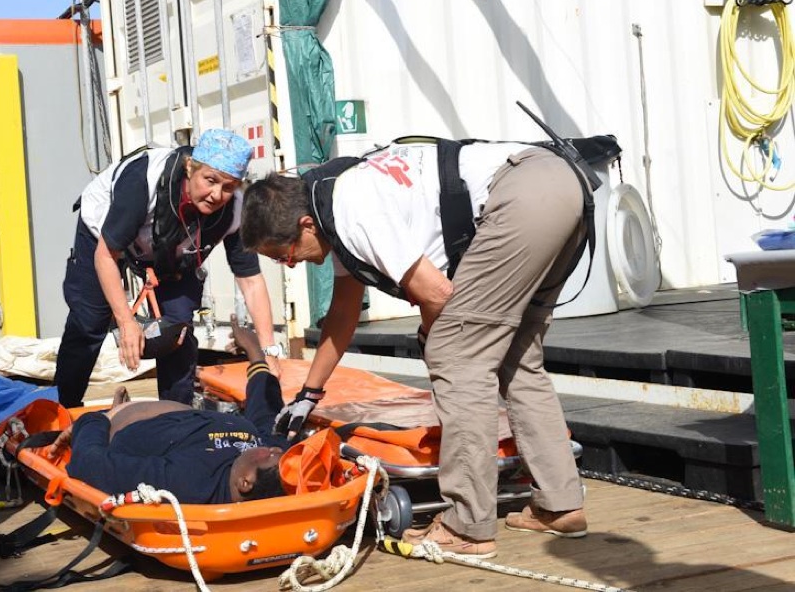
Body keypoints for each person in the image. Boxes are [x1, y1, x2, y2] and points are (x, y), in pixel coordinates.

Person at [240, 137, 591, 558]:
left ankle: (467, 527)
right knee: (517, 358)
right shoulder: (333, 203)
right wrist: (309, 393)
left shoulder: (351, 211)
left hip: (519, 197)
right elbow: (343, 315)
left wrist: (435, 346)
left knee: (457, 356)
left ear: (304, 226)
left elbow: (438, 295)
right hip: (560, 184)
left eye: (284, 255)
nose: (291, 265)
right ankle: (560, 504)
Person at [55, 128, 285, 409]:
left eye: (227, 187)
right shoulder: (143, 182)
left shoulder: (235, 208)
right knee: (89, 320)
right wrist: (126, 322)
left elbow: (250, 279)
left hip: (173, 249)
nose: (216, 195)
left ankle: (176, 413)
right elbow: (105, 256)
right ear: (190, 168)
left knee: (178, 328)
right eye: (209, 181)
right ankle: (64, 406)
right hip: (105, 234)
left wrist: (269, 349)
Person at [52, 317, 290, 504]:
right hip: (180, 418)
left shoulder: (185, 481)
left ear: (245, 483)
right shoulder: (264, 452)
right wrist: (254, 350)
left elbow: (92, 465)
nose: (272, 449)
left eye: (269, 456)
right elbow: (266, 410)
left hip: (110, 423)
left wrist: (92, 422)